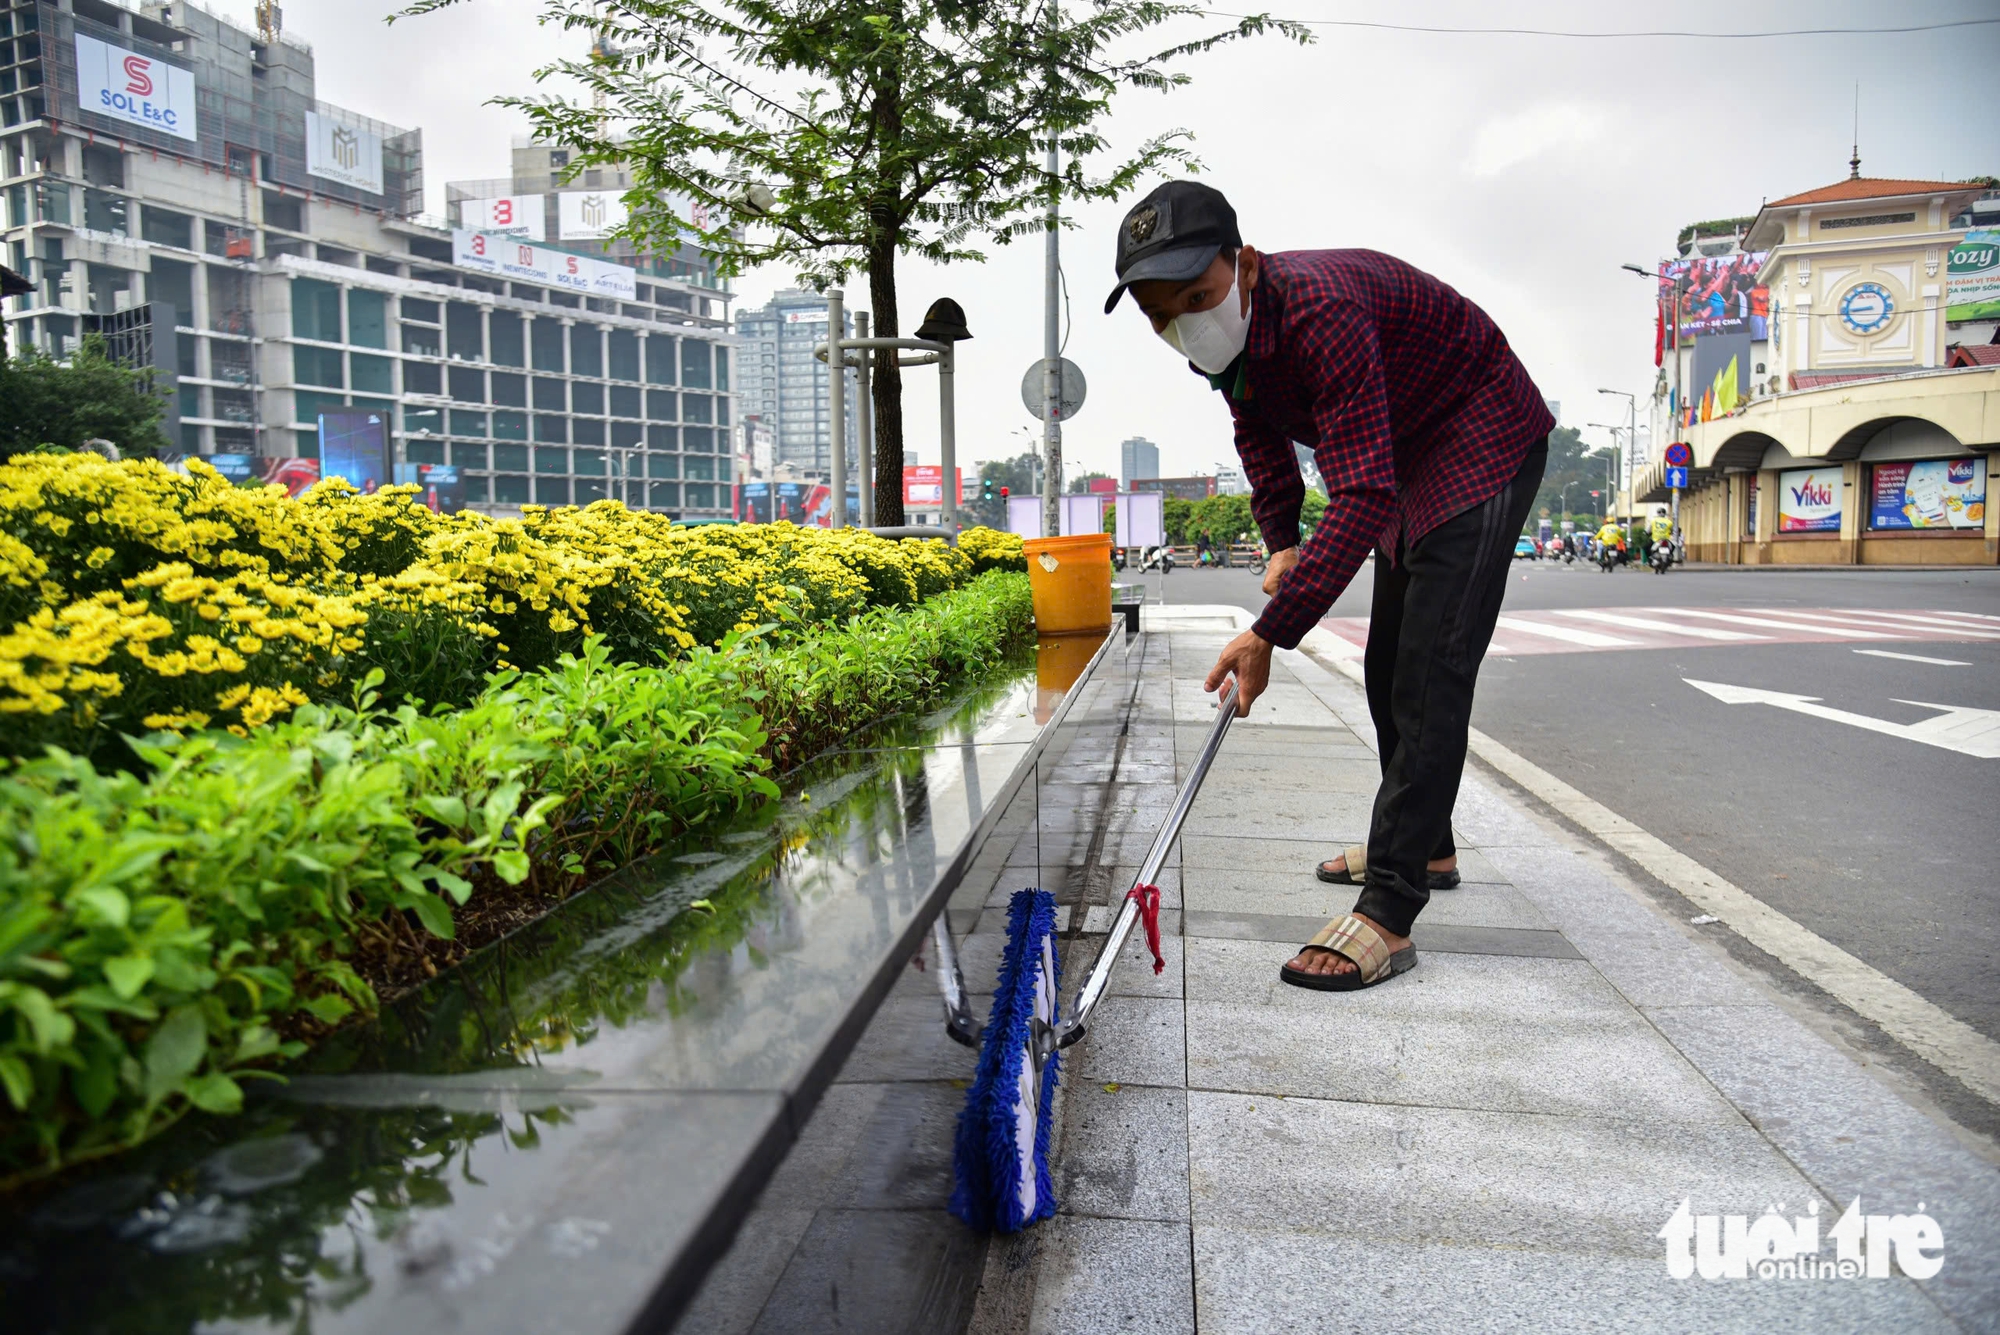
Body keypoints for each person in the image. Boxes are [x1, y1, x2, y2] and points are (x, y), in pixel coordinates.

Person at [1106, 180, 1551, 991]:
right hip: (1407, 449)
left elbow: (1363, 493)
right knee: (1389, 667)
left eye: (1199, 297)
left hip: (1478, 429)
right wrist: (1280, 540)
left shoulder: (1320, 312)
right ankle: (1428, 842)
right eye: (1160, 314)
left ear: (1241, 265)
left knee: (1428, 670)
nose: (1185, 324)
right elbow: (1260, 437)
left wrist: (1271, 629)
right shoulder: (1225, 342)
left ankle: (1389, 906)